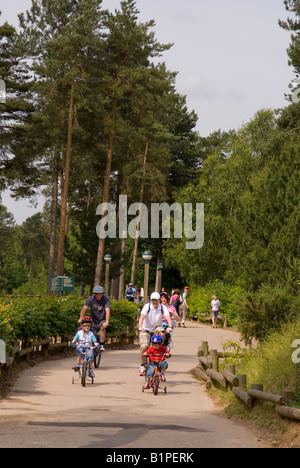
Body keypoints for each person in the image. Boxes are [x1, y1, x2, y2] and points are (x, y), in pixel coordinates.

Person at [138, 292, 172, 376]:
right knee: (144, 346)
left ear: (159, 300)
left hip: (157, 327)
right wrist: (140, 327)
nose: (154, 302)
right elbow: (142, 317)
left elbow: (168, 317)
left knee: (162, 333)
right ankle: (142, 365)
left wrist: (169, 327)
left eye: (156, 300)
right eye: (152, 300)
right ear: (151, 300)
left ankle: (162, 351)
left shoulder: (162, 307)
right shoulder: (147, 306)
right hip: (146, 328)